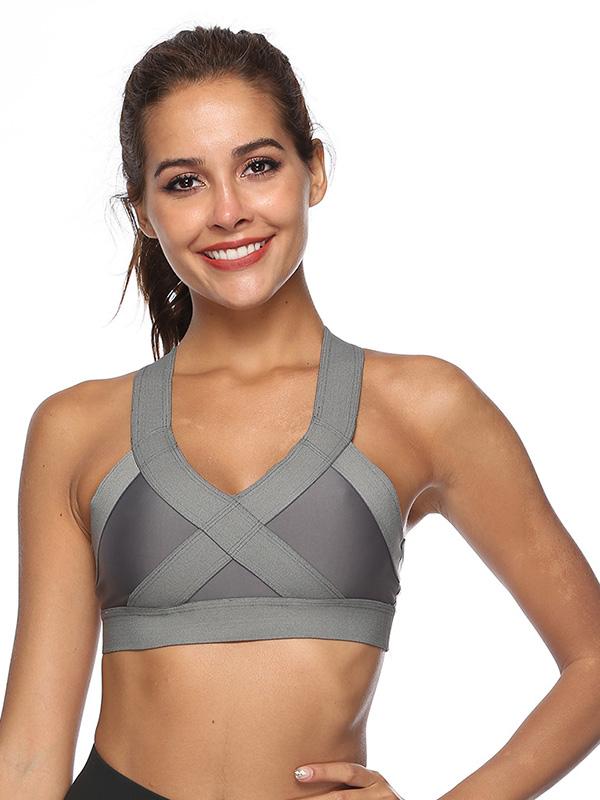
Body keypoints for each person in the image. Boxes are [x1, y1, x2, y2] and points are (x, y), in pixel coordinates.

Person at [1, 23, 599, 800]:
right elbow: (29, 756)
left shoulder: (425, 406)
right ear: (142, 210)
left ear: (314, 170)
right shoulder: (74, 429)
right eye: (183, 182)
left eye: (258, 166)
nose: (227, 211)